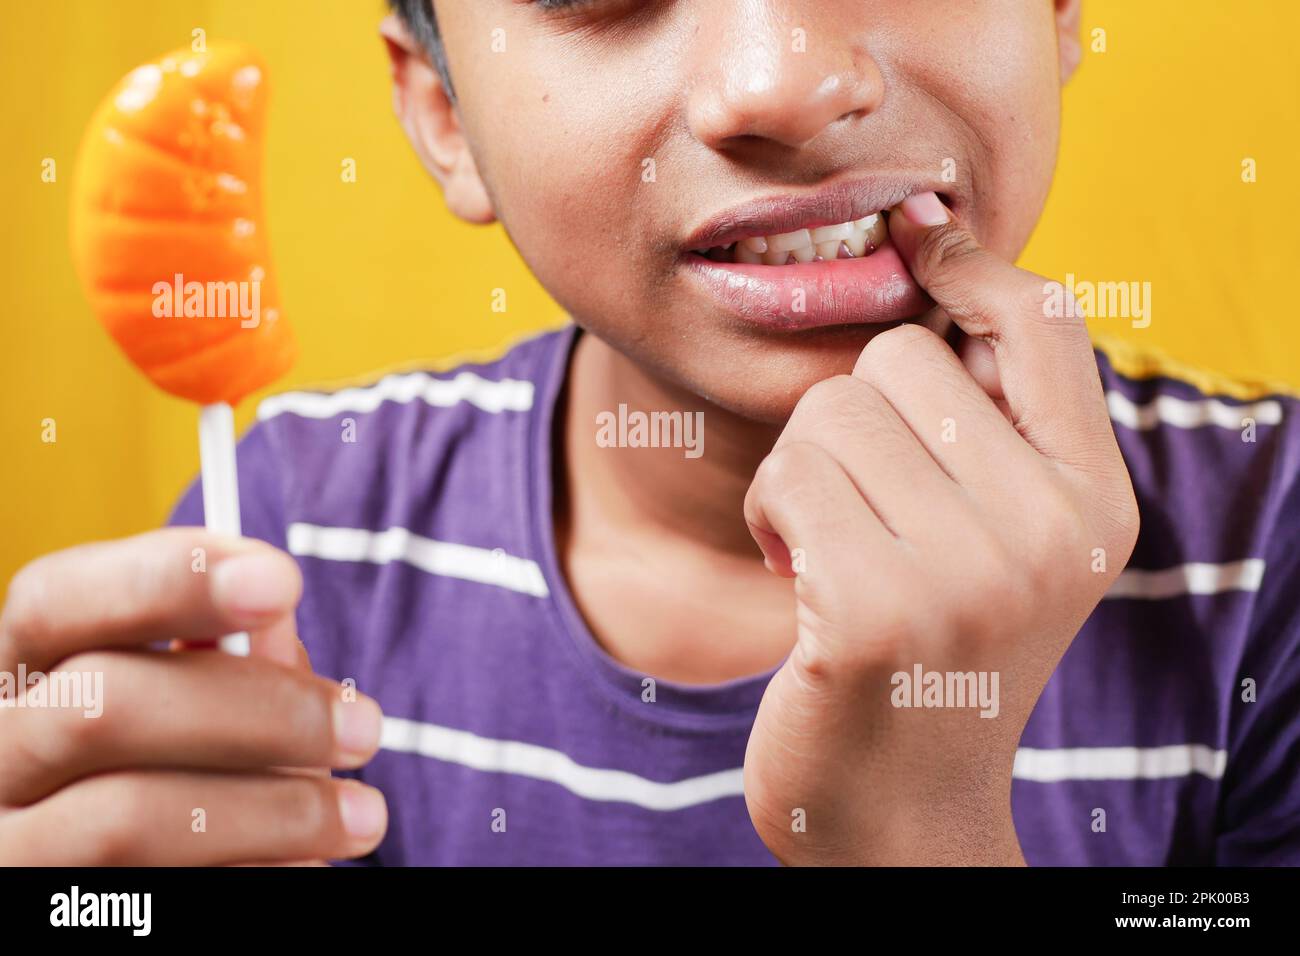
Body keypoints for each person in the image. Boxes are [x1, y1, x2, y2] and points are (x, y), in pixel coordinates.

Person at [1, 0, 1296, 865]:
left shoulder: (1272, 554)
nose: (783, 79)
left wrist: (916, 831)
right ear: (445, 117)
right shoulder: (289, 541)